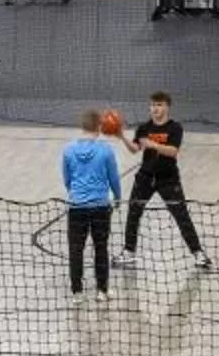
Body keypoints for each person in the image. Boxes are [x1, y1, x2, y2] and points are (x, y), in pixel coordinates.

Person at [118, 92, 210, 270]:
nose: (155, 108)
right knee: (133, 213)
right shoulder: (144, 128)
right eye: (152, 105)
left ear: (167, 107)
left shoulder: (175, 128)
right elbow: (135, 149)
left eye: (159, 105)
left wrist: (154, 145)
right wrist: (121, 136)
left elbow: (173, 151)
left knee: (181, 215)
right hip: (145, 178)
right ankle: (129, 252)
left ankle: (199, 254)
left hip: (168, 179)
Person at [62, 108, 120, 298]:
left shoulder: (69, 150)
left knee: (76, 250)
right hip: (100, 208)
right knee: (101, 247)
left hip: (77, 208)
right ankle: (102, 290)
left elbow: (67, 179)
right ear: (99, 127)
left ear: (82, 126)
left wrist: (76, 194)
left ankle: (77, 292)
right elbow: (114, 178)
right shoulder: (105, 150)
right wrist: (117, 197)